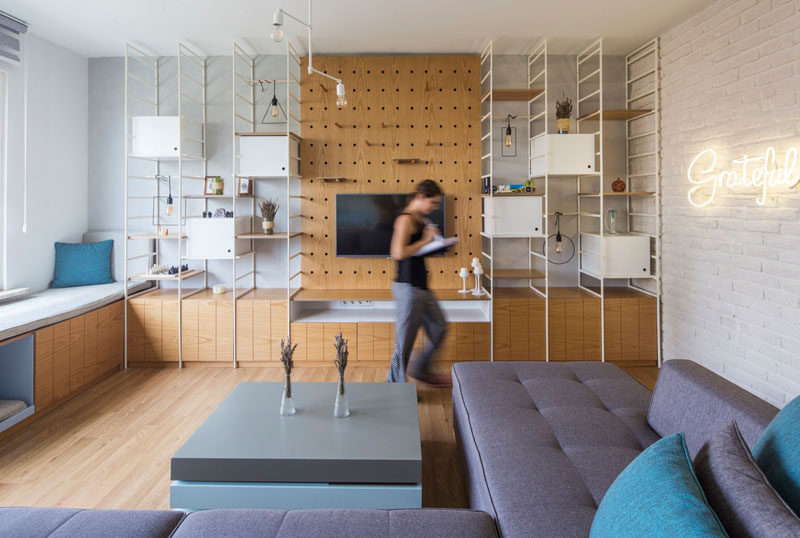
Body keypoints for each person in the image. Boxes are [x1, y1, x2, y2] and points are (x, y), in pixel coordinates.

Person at [386, 180, 451, 386]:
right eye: (433, 203)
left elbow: (418, 250)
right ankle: (394, 385)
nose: (434, 208)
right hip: (408, 287)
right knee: (404, 342)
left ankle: (420, 370)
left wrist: (438, 242)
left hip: (420, 286)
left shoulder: (419, 218)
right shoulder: (405, 219)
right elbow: (398, 253)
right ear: (421, 197)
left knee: (439, 326)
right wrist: (425, 241)